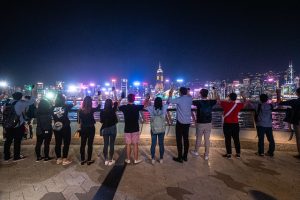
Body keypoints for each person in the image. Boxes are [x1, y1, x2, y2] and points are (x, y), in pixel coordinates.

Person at [3, 92, 35, 161]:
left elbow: (4, 112)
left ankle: (6, 156)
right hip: (18, 125)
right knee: (17, 141)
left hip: (8, 125)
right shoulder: (20, 103)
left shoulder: (7, 103)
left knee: (8, 141)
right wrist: (27, 96)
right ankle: (16, 156)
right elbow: (32, 100)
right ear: (20, 97)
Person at [167, 87, 193, 163]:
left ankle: (180, 157)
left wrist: (170, 92)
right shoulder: (190, 99)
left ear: (180, 92)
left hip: (180, 122)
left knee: (179, 140)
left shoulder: (179, 99)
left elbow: (169, 100)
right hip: (187, 122)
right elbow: (189, 95)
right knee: (186, 139)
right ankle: (185, 157)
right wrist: (188, 92)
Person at [190, 89, 217, 160]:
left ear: (200, 94)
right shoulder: (211, 102)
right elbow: (215, 99)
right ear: (207, 94)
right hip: (208, 122)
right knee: (207, 139)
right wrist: (214, 91)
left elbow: (190, 100)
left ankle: (196, 152)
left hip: (200, 123)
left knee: (198, 138)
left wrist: (189, 93)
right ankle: (206, 155)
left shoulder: (198, 102)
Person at [218, 92, 247, 159]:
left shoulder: (225, 104)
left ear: (229, 97)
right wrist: (243, 97)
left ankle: (229, 154)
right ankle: (238, 154)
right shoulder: (238, 105)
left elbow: (218, 101)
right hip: (235, 124)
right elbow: (245, 103)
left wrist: (218, 95)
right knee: (236, 139)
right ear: (236, 98)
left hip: (227, 124)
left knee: (228, 139)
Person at [119, 94, 144, 164]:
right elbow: (145, 105)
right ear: (134, 99)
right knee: (135, 144)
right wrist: (148, 98)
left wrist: (120, 98)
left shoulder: (124, 107)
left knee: (128, 144)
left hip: (127, 129)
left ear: (127, 99)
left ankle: (128, 159)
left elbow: (117, 105)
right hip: (135, 128)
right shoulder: (136, 107)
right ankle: (136, 159)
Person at [144, 97, 168, 164]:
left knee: (153, 144)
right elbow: (168, 102)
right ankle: (161, 158)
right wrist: (170, 94)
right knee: (161, 144)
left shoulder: (151, 108)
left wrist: (147, 99)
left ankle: (153, 158)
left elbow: (144, 106)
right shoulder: (164, 107)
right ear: (161, 102)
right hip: (162, 129)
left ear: (154, 102)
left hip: (154, 129)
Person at [78, 96, 101, 165]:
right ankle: (88, 160)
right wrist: (98, 99)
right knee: (90, 145)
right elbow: (98, 107)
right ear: (90, 102)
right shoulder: (91, 110)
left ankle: (82, 160)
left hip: (83, 128)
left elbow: (79, 121)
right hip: (91, 128)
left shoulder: (80, 110)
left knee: (82, 144)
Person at [279, 87, 300, 159]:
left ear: (297, 93)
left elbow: (280, 103)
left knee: (298, 138)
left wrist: (278, 93)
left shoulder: (295, 101)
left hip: (297, 121)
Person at [52, 94, 73, 165]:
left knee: (58, 143)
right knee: (66, 143)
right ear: (63, 100)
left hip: (57, 126)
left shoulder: (53, 107)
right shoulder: (66, 106)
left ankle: (58, 159)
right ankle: (64, 159)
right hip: (65, 126)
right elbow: (74, 104)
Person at [100, 99, 118, 166]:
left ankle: (106, 160)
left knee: (105, 144)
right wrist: (114, 103)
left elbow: (101, 121)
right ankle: (110, 159)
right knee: (112, 144)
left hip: (105, 128)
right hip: (113, 128)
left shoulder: (102, 111)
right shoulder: (113, 110)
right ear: (111, 104)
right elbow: (116, 103)